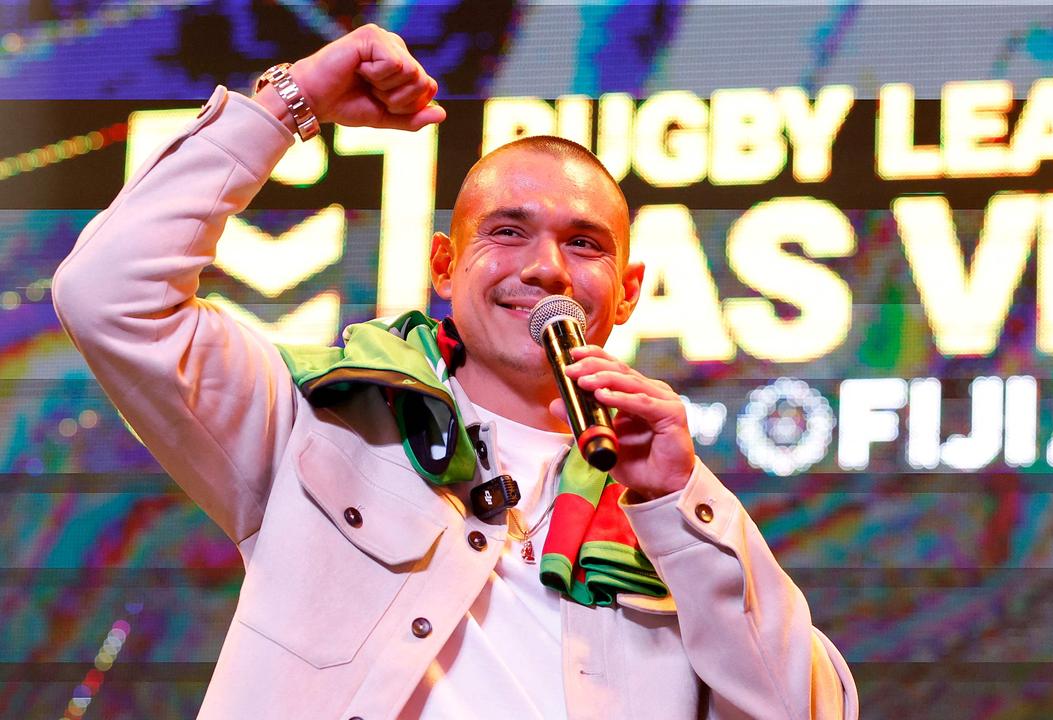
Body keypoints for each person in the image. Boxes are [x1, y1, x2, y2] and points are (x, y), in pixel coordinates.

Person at [52, 23, 856, 720]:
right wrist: (294, 103)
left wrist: (683, 506)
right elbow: (106, 293)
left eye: (584, 244)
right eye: (507, 231)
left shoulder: (672, 507)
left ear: (630, 291)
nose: (544, 268)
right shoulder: (316, 420)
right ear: (444, 265)